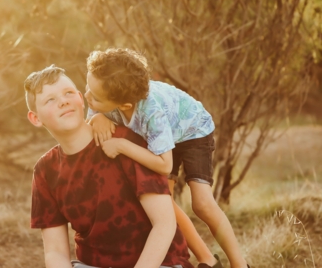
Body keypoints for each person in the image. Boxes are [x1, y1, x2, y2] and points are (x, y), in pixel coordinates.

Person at [84, 48, 249, 268]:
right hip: (161, 138)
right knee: (165, 203)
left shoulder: (151, 112)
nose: (87, 97)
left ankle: (241, 265)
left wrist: (122, 145)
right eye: (88, 87)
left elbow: (164, 164)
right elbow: (89, 124)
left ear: (124, 105)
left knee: (202, 204)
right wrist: (96, 118)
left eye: (94, 97)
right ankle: (207, 260)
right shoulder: (107, 99)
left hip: (191, 131)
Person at [25, 65, 194, 268]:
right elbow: (55, 252)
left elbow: (164, 224)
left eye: (68, 93)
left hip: (159, 263)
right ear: (35, 118)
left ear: (81, 98)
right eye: (50, 100)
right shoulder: (45, 170)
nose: (63, 101)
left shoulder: (125, 144)